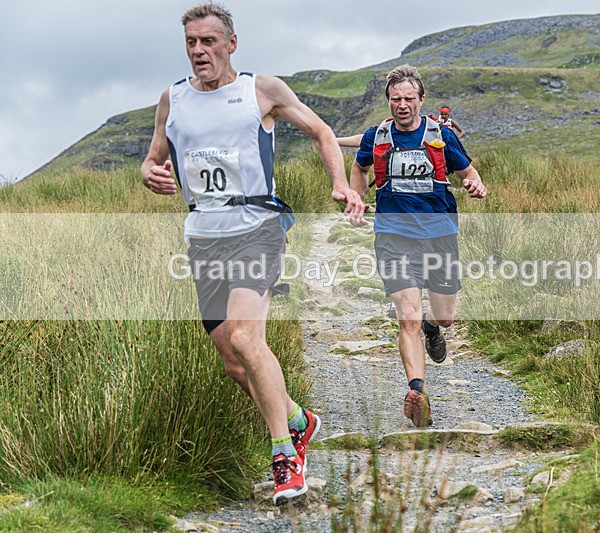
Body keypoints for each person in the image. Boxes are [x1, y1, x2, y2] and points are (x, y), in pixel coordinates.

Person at [140, 3, 365, 505]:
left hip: (257, 228)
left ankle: (285, 457)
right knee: (234, 362)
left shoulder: (260, 90)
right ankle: (299, 420)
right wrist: (149, 173)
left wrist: (338, 183)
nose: (200, 51)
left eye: (209, 42)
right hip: (203, 237)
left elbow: (323, 132)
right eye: (192, 43)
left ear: (231, 44)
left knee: (246, 335)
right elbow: (154, 158)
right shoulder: (171, 100)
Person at [348, 64, 487, 427]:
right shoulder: (375, 137)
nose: (402, 105)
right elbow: (360, 168)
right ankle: (417, 392)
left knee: (445, 316)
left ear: (421, 100)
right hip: (392, 237)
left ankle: (432, 326)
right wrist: (357, 197)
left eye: (409, 98)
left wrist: (476, 186)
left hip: (439, 234)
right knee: (406, 314)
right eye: (396, 99)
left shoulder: (440, 135)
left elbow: (468, 174)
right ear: (389, 101)